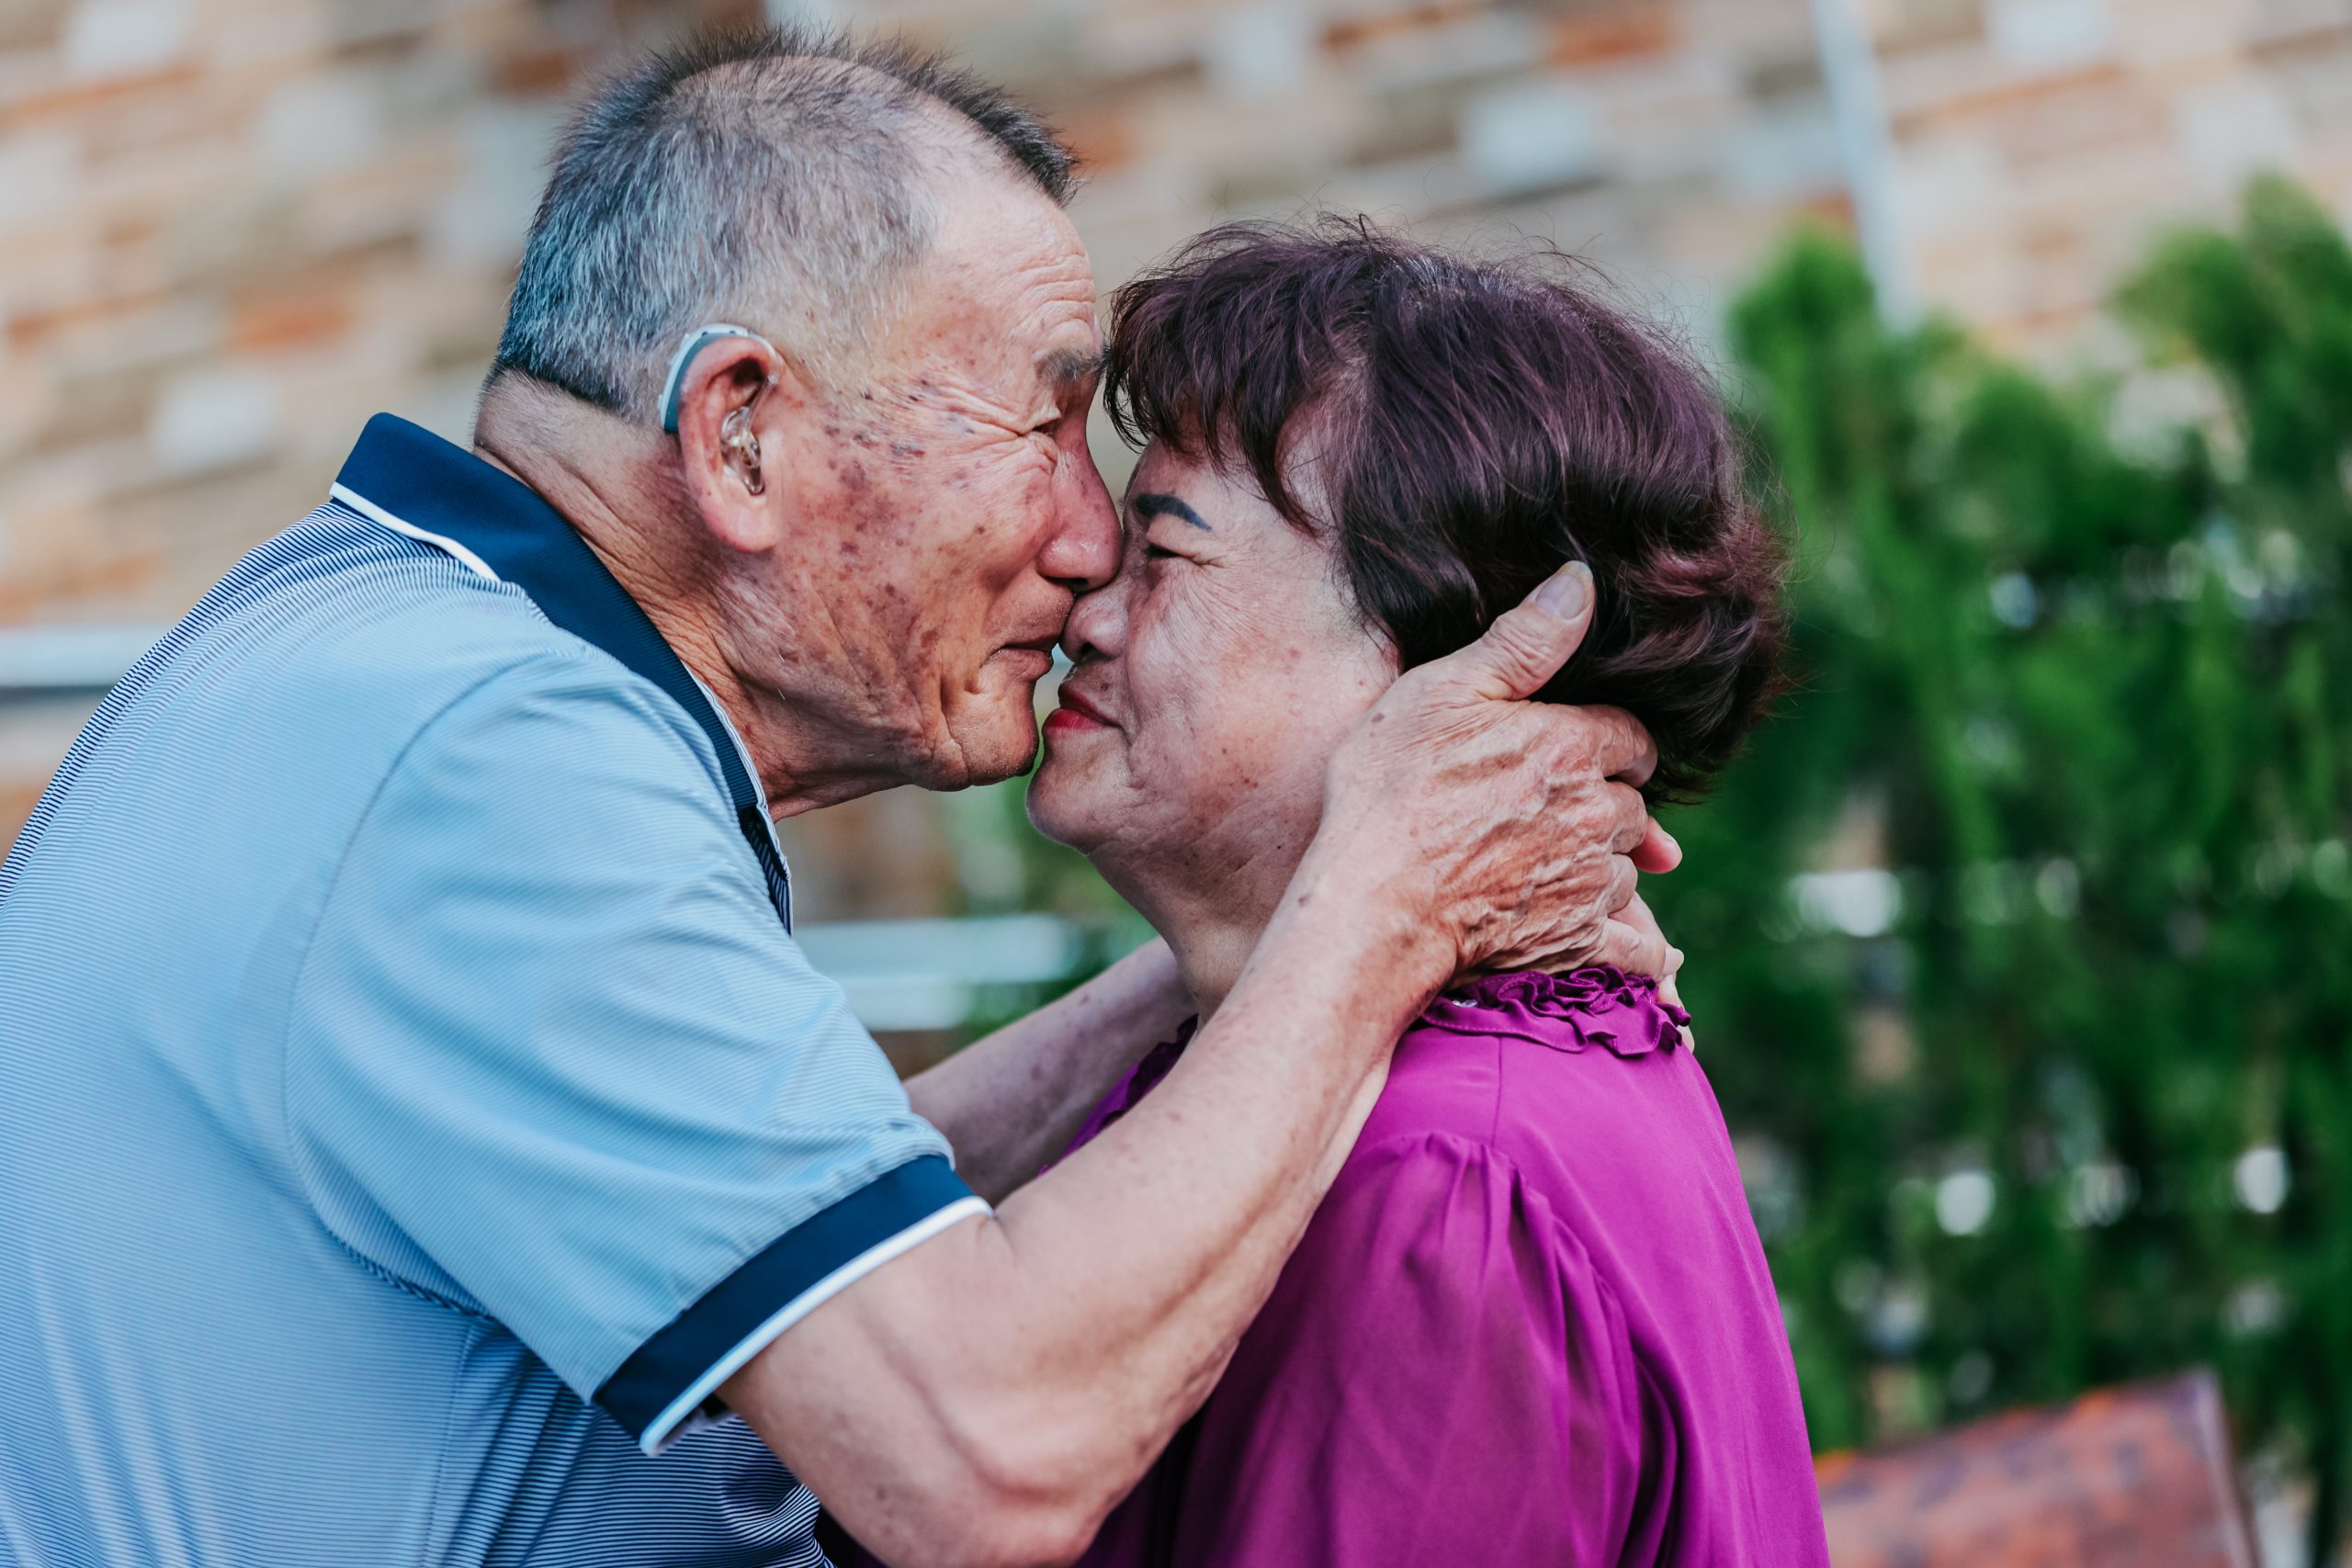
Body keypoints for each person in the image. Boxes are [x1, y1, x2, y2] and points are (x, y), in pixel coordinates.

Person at [0, 28, 1680, 1568]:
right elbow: (975, 1450)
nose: (1089, 541)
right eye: (1040, 421)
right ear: (742, 438)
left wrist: (1259, 943)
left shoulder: (408, 660)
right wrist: (1386, 904)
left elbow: (803, 1235)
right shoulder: (496, 767)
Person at [1014, 220, 1830, 1564]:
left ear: (1450, 674)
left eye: (1166, 554)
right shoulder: (1308, 1069)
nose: (1089, 612)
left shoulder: (1444, 1186)